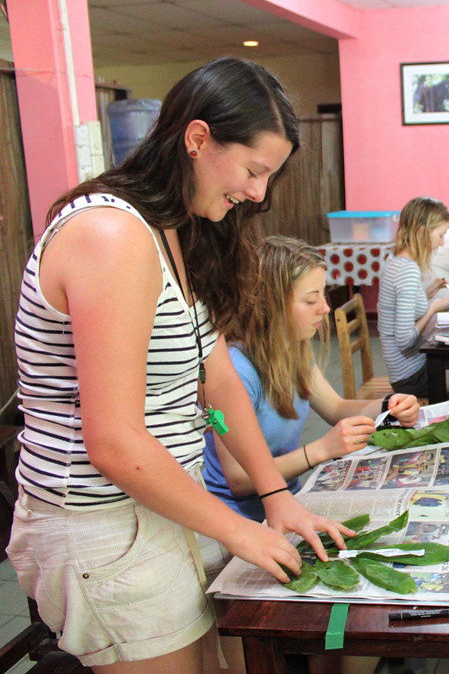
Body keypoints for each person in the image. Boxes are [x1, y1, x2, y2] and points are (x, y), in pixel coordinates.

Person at [6, 57, 348, 673]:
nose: (257, 193)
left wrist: (275, 494)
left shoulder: (174, 231)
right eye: (252, 170)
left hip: (164, 503)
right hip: (102, 525)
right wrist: (237, 529)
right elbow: (112, 441)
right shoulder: (110, 235)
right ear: (197, 139)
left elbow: (217, 381)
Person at [203, 235, 420, 521]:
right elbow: (240, 479)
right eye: (310, 299)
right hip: (240, 519)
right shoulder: (236, 370)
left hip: (289, 500)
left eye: (323, 295)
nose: (325, 308)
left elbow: (336, 408)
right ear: (271, 305)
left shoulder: (293, 348)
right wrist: (320, 450)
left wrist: (389, 405)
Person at [378, 197, 449, 398]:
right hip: (412, 379)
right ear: (422, 232)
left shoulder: (394, 259)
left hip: (405, 372)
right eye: (440, 235)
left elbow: (401, 305)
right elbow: (405, 341)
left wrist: (429, 292)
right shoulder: (408, 271)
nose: (442, 242)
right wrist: (434, 308)